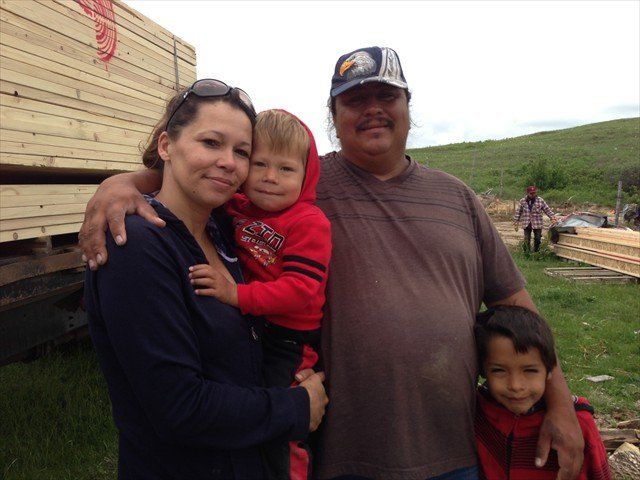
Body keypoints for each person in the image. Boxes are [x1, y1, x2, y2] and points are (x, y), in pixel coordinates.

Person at [78, 47, 585, 480]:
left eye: (386, 96)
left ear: (409, 106)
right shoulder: (300, 191)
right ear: (333, 116)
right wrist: (126, 182)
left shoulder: (457, 198)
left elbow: (514, 301)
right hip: (343, 450)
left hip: (450, 446)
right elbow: (209, 177)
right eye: (353, 100)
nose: (372, 110)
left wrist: (560, 402)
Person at [83, 79, 328, 480]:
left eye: (242, 152)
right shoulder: (137, 247)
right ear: (166, 146)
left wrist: (125, 181)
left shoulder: (222, 227)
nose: (230, 162)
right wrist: (296, 407)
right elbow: (178, 407)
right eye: (211, 143)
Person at [188, 109, 332, 480]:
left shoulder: (308, 222)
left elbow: (301, 291)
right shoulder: (237, 209)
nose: (270, 178)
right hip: (255, 329)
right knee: (247, 415)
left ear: (307, 175)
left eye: (286, 169)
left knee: (285, 425)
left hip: (288, 340)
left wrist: (236, 295)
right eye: (260, 164)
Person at [474, 306, 611, 480]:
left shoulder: (578, 424)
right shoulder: (480, 411)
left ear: (549, 371)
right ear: (483, 370)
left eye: (530, 371)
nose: (515, 385)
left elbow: (598, 474)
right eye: (499, 370)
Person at [513, 185, 557, 252]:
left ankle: (536, 252)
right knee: (526, 239)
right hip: (527, 223)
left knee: (538, 238)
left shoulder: (540, 200)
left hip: (537, 223)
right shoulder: (522, 201)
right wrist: (516, 221)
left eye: (534, 193)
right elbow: (518, 211)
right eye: (531, 193)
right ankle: (526, 253)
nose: (533, 194)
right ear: (527, 193)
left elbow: (547, 210)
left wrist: (552, 218)